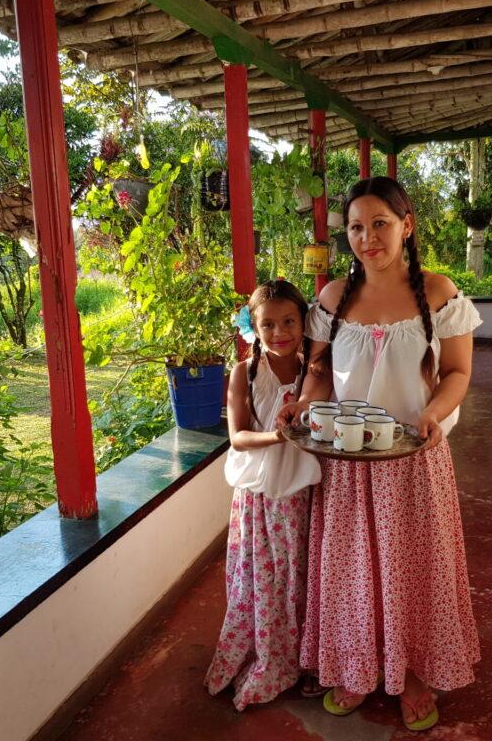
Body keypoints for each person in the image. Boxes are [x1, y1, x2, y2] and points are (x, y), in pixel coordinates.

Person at [277, 177, 482, 732]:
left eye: (380, 224)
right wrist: (303, 403)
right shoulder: (332, 298)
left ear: (406, 226)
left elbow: (458, 373)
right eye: (356, 228)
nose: (367, 238)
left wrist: (434, 412)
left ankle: (414, 675)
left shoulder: (439, 293)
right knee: (353, 572)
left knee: (413, 573)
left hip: (415, 460)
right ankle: (356, 667)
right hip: (348, 465)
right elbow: (321, 371)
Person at [205, 280, 323, 711]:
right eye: (268, 324)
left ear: (304, 322)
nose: (280, 332)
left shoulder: (315, 371)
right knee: (264, 581)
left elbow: (321, 407)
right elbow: (238, 437)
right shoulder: (245, 372)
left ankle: (308, 660)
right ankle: (271, 656)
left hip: (302, 492)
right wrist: (275, 436)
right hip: (259, 497)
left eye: (289, 321)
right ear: (253, 328)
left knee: (303, 578)